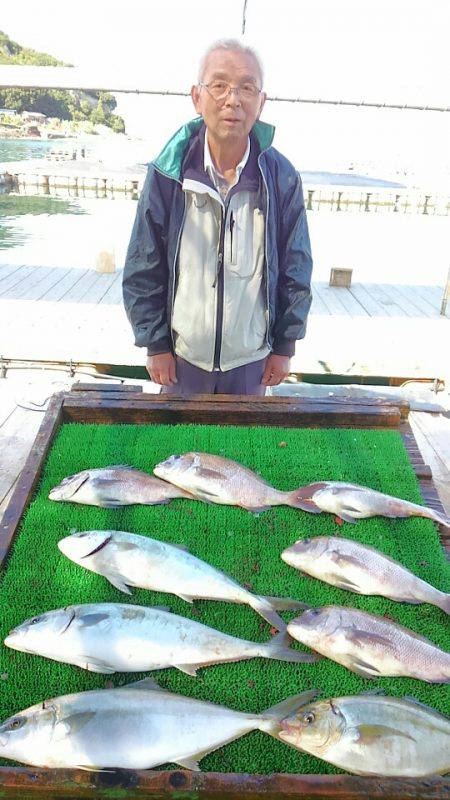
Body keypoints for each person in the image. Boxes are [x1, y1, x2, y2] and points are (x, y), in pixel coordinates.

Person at [123, 39, 313, 395]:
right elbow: (143, 264)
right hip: (181, 360)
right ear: (197, 97)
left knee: (243, 450)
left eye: (246, 87)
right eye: (220, 85)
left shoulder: (282, 178)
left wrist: (285, 347)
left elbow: (295, 267)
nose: (233, 99)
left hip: (252, 362)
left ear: (261, 101)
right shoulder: (167, 174)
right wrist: (156, 344)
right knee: (180, 451)